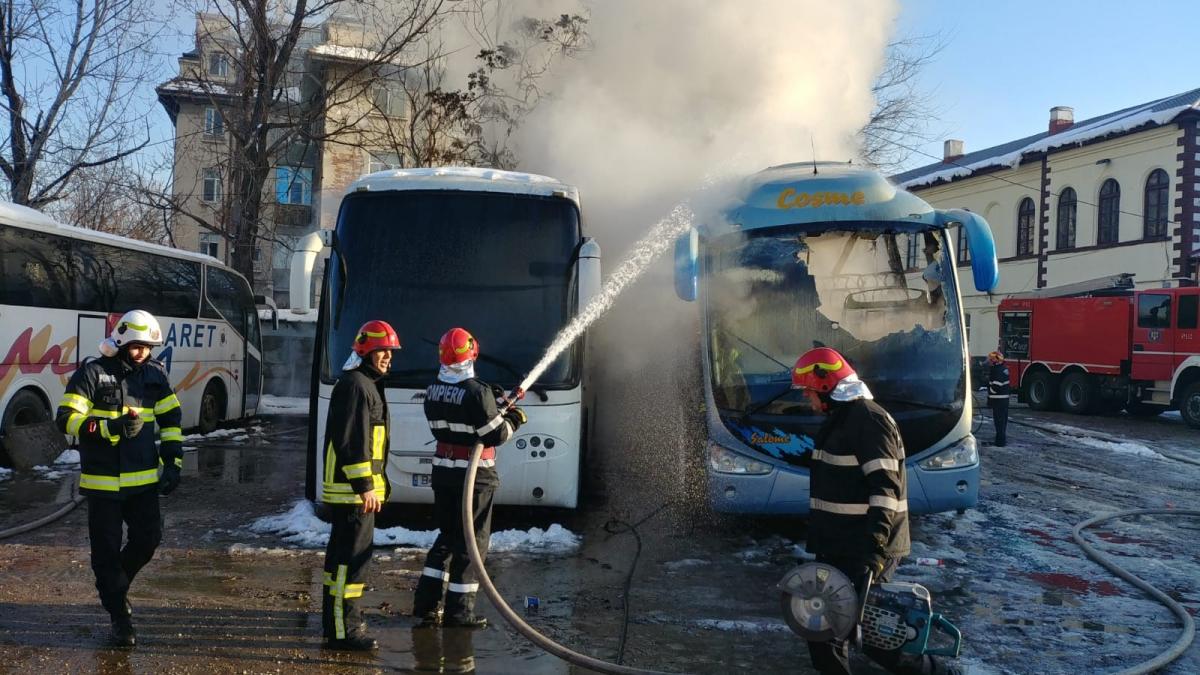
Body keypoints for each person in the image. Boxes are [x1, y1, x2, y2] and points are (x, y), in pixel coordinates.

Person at [791, 347, 960, 675]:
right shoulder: (840, 420)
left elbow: (886, 491)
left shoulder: (868, 420)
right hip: (839, 546)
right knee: (824, 629)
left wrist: (874, 551)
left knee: (871, 635)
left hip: (864, 547)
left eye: (809, 393)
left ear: (827, 390)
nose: (808, 402)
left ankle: (938, 672)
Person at [55, 309, 183, 648]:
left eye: (147, 347)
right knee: (106, 553)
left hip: (143, 482)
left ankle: (114, 587)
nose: (142, 352)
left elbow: (171, 419)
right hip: (103, 484)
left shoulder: (154, 375)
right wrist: (109, 427)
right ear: (122, 340)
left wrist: (173, 463)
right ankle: (120, 617)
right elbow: (65, 419)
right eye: (136, 346)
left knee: (148, 539)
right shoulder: (93, 373)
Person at [412, 327, 527, 629]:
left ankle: (426, 604)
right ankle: (459, 612)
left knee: (448, 537)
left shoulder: (434, 388)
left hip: (444, 473)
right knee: (472, 543)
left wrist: (495, 406)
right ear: (471, 353)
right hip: (474, 478)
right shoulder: (477, 392)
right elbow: (494, 434)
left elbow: (465, 420)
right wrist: (514, 419)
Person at [320, 319, 401, 651]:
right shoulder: (357, 385)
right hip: (353, 493)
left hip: (355, 492)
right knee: (348, 564)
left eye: (390, 353)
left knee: (345, 562)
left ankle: (340, 624)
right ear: (367, 351)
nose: (388, 358)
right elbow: (353, 442)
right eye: (383, 352)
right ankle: (344, 630)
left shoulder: (364, 383)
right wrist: (365, 485)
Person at [987, 350, 1010, 447]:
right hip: (1002, 401)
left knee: (999, 422)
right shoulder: (1003, 369)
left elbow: (996, 387)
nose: (989, 362)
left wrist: (989, 387)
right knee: (1002, 422)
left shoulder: (998, 370)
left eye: (990, 360)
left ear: (995, 361)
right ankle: (1000, 440)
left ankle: (1000, 442)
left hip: (998, 401)